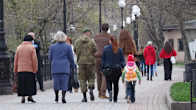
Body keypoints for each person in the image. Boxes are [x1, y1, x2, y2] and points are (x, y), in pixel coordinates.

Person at [48, 31, 74, 103]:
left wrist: (52, 62)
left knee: (56, 83)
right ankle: (63, 96)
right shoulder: (68, 47)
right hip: (65, 67)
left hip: (55, 67)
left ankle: (56, 97)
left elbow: (50, 57)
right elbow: (71, 57)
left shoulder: (52, 47)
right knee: (64, 83)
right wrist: (72, 64)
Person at [74, 29, 97, 102]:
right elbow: (95, 50)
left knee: (82, 79)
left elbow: (75, 50)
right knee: (91, 77)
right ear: (88, 33)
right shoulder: (92, 41)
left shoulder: (77, 41)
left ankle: (84, 97)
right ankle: (91, 89)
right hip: (90, 62)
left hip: (81, 62)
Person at [14, 35, 38, 103]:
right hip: (29, 69)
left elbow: (16, 60)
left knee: (22, 84)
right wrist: (35, 69)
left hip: (20, 69)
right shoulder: (32, 48)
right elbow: (34, 60)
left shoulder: (19, 47)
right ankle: (30, 97)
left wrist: (15, 69)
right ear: (31, 41)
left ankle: (23, 97)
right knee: (30, 84)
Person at [102, 37, 125, 103]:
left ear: (110, 41)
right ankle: (115, 98)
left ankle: (110, 91)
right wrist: (122, 66)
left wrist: (103, 67)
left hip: (108, 69)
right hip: (117, 70)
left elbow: (103, 59)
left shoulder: (105, 49)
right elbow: (122, 60)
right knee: (116, 84)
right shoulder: (119, 49)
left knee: (108, 82)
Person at [94, 23, 112, 99]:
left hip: (96, 57)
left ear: (101, 28)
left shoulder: (96, 37)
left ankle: (99, 92)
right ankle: (103, 92)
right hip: (106, 58)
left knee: (98, 75)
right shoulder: (109, 37)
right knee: (105, 75)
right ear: (108, 29)